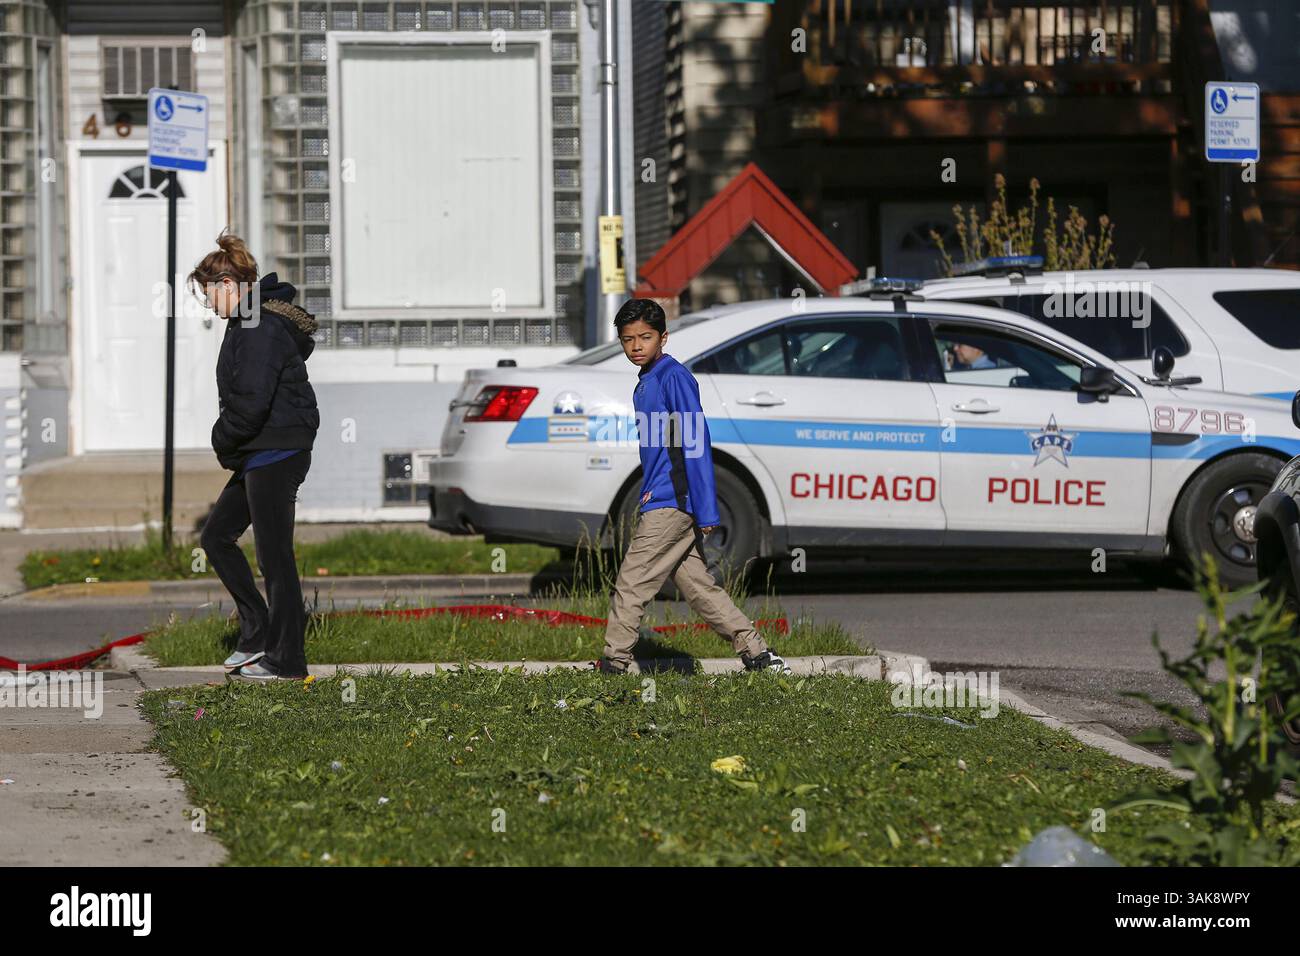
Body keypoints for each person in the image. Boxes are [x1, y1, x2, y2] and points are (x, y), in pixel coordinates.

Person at [597, 298, 790, 675]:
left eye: (645, 337)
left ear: (664, 338)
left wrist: (705, 508)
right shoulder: (647, 381)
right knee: (699, 587)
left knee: (632, 581)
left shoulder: (674, 377)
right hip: (663, 496)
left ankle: (615, 662)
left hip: (673, 501)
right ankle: (758, 654)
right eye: (627, 339)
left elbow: (696, 443)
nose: (636, 346)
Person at [191, 232, 320, 682]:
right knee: (217, 537)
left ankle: (287, 662)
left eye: (206, 293)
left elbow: (250, 403)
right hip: (262, 449)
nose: (207, 304)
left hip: (277, 448)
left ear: (228, 283)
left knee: (275, 557)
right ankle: (257, 631)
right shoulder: (246, 319)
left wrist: (221, 442)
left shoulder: (258, 325)